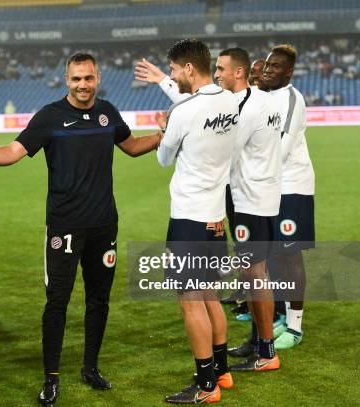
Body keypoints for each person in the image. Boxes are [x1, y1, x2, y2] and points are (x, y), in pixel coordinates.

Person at [0, 52, 162, 406]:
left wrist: (161, 134)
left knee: (99, 300)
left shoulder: (108, 112)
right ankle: (51, 378)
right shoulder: (50, 116)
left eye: (88, 78)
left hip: (104, 225)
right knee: (57, 303)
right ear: (66, 80)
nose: (82, 85)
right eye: (76, 79)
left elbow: (133, 147)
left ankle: (90, 368)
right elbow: (15, 152)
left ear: (98, 77)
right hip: (64, 228)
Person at [156, 39, 238, 404]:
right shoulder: (230, 102)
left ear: (189, 68)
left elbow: (162, 158)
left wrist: (164, 128)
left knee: (191, 301)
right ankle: (222, 372)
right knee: (210, 296)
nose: (174, 75)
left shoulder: (183, 111)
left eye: (174, 70)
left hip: (188, 219)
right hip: (216, 217)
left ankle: (206, 386)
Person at [213, 48, 282, 372]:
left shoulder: (246, 110)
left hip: (248, 201)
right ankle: (258, 341)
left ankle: (267, 352)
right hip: (263, 196)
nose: (217, 75)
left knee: (255, 276)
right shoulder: (264, 101)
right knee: (253, 273)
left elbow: (224, 151)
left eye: (221, 69)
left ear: (238, 72)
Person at [263, 44, 315, 350]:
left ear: (289, 72)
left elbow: (281, 149)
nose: (269, 70)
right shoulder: (265, 97)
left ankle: (295, 327)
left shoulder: (293, 99)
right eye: (268, 65)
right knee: (274, 254)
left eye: (276, 66)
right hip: (269, 187)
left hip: (292, 187)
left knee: (290, 255)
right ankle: (283, 314)